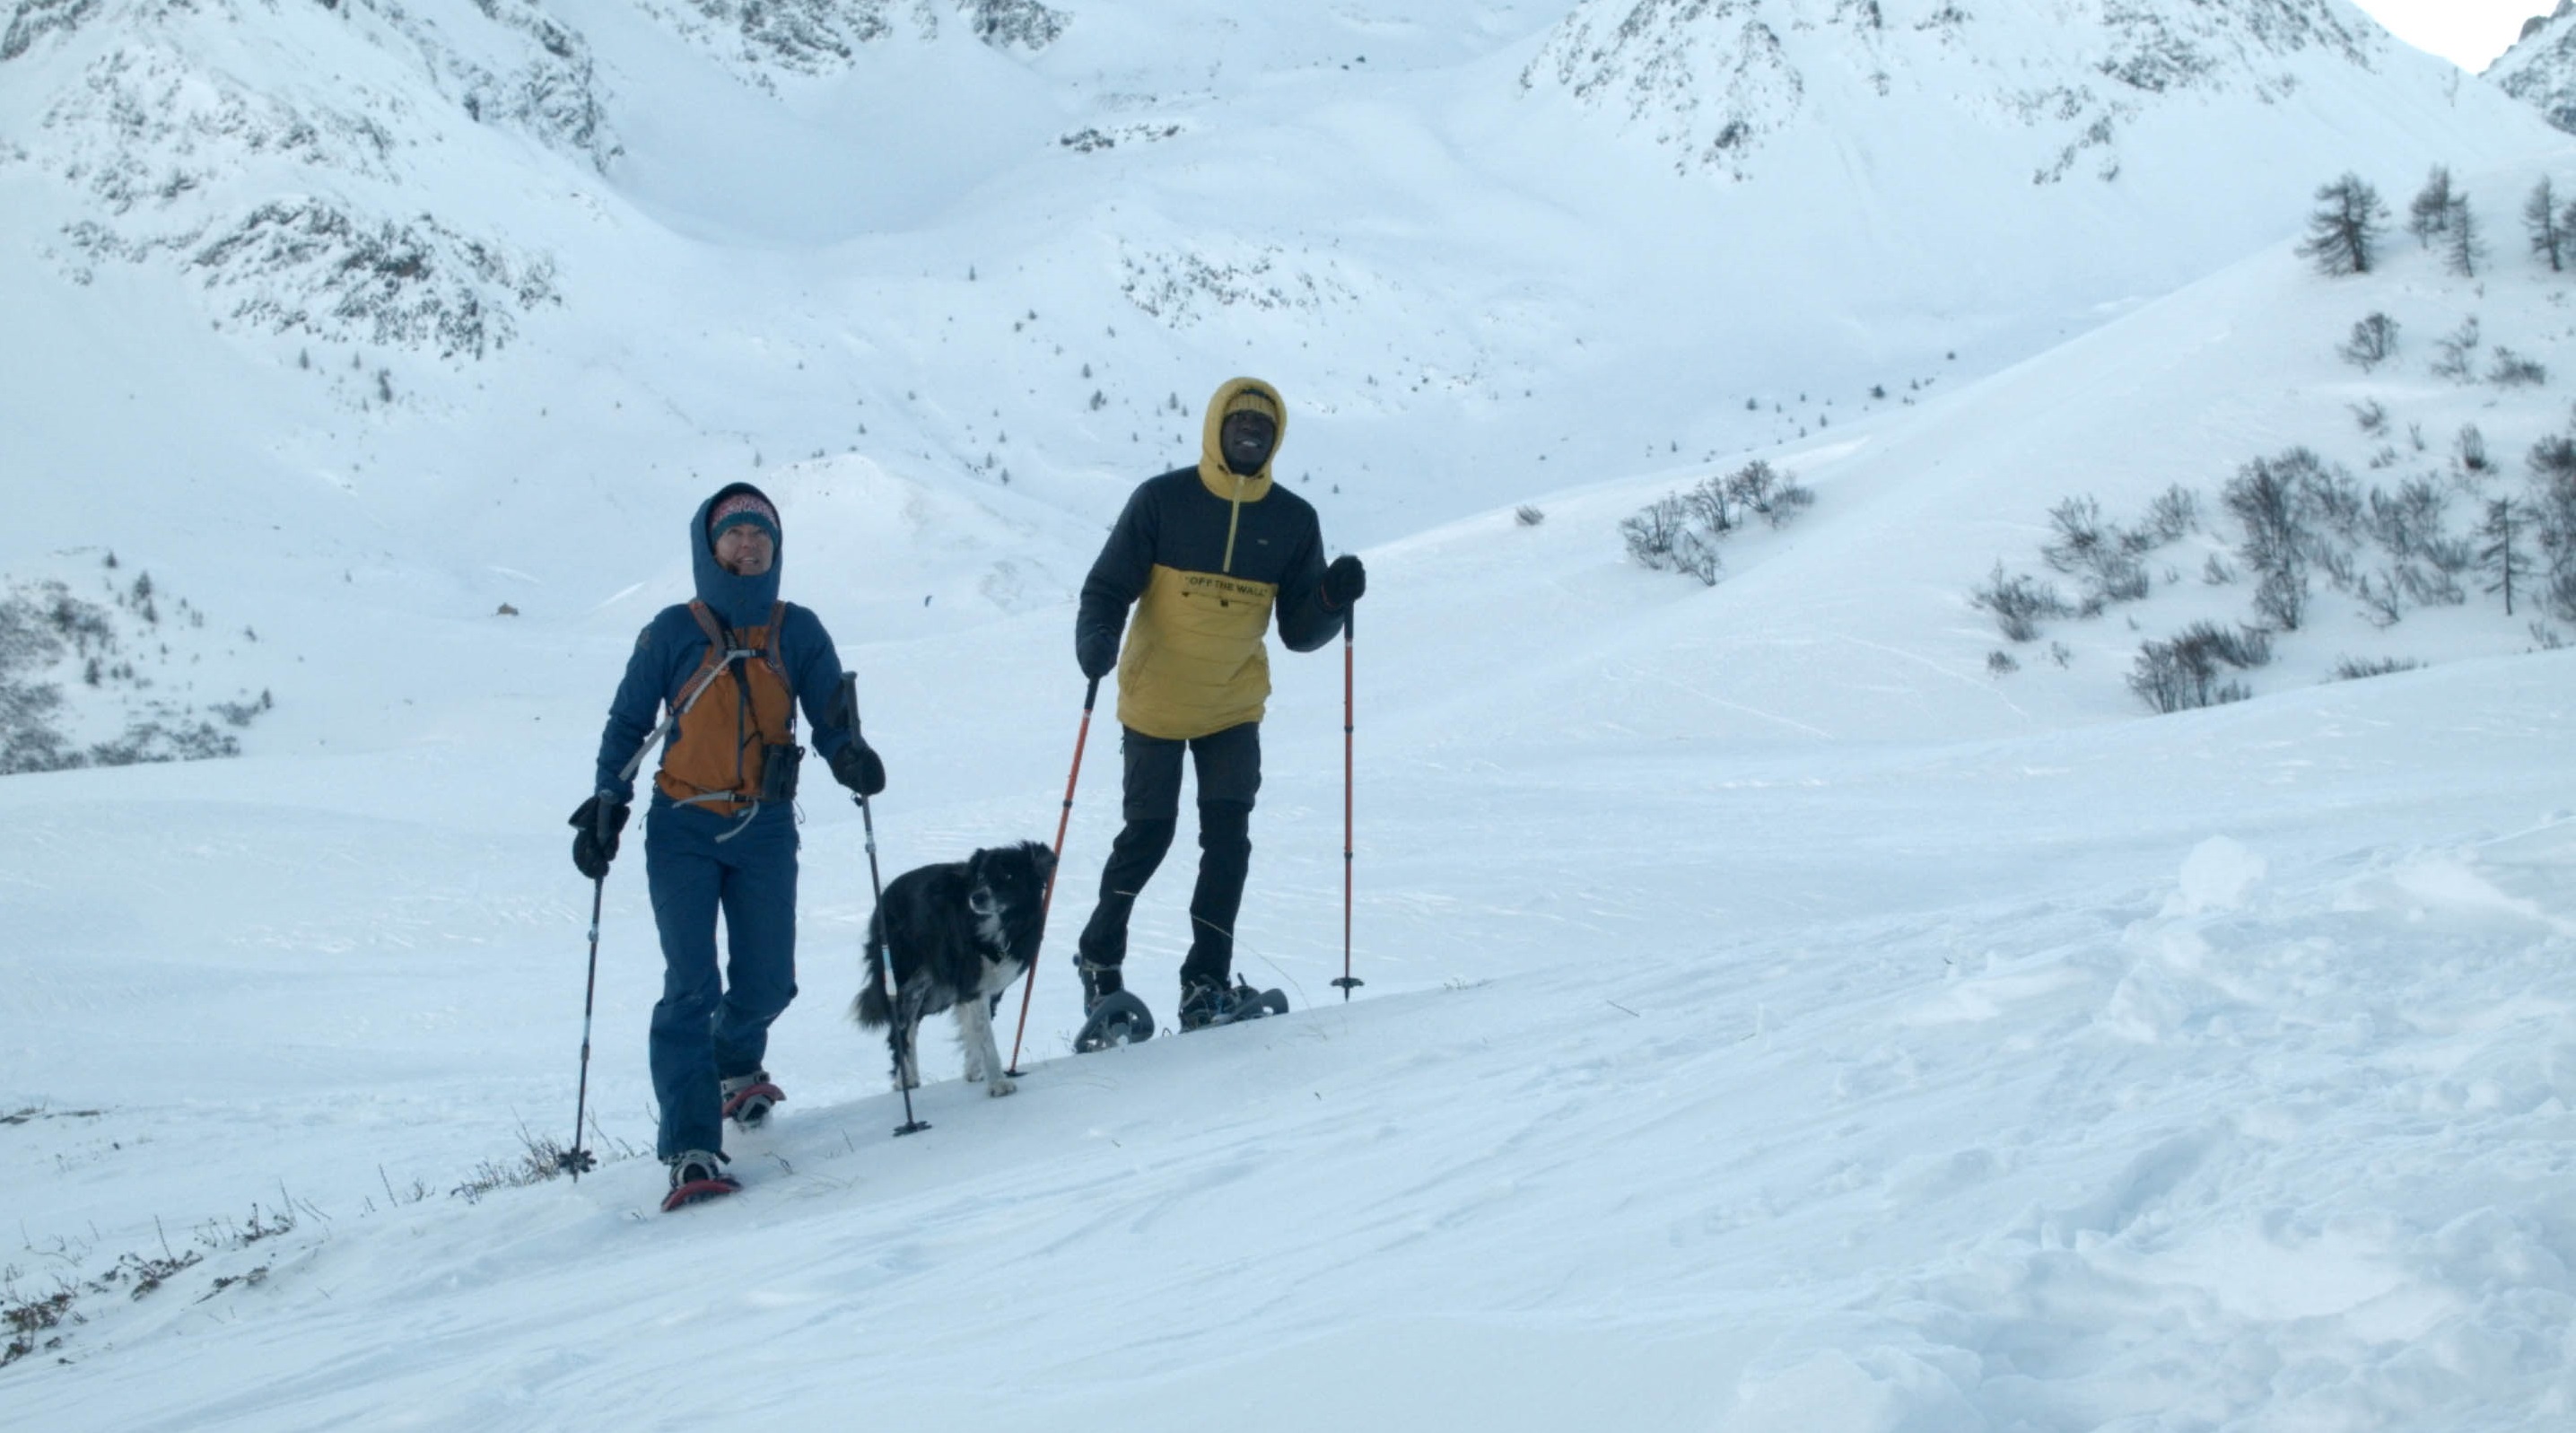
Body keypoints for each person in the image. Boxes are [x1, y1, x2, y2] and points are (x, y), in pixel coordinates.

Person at [572, 482, 886, 1206]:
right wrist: (606, 803)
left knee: (769, 981)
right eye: (734, 533)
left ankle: (734, 1064)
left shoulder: (797, 629)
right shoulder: (670, 631)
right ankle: (690, 1146)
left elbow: (831, 716)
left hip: (765, 827)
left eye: (761, 534)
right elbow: (626, 725)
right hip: (681, 827)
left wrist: (849, 755)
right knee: (691, 987)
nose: (748, 544)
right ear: (707, 547)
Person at [1072, 378, 1366, 1030]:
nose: (1251, 431)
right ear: (1216, 427)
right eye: (1239, 421)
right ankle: (1098, 959)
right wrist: (1094, 640)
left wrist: (1328, 600)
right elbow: (1106, 586)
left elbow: (1296, 631)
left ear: (1275, 438)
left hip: (1233, 704)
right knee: (1149, 834)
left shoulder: (1292, 520)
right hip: (1155, 698)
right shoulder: (1161, 501)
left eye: (1263, 425)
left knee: (1227, 842)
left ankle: (1204, 983)